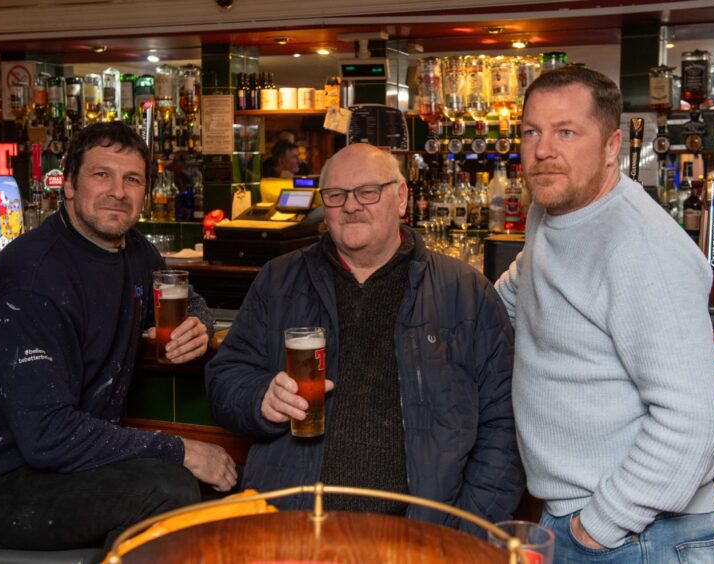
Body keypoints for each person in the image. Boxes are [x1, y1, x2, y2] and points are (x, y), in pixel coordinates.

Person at [0, 122, 237, 552]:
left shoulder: (135, 251)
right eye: (102, 174)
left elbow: (186, 297)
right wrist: (180, 450)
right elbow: (47, 435)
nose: (118, 191)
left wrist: (199, 323)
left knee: (217, 493)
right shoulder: (31, 279)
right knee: (167, 487)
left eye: (132, 179)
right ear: (68, 185)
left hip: (74, 465)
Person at [206, 142, 523, 536]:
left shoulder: (464, 291)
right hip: (294, 528)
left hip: (419, 538)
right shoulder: (279, 279)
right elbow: (225, 378)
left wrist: (465, 530)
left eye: (368, 192)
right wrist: (260, 399)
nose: (351, 206)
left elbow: (504, 423)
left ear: (401, 197)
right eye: (336, 195)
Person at [495, 66, 714, 562]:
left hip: (639, 534)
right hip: (582, 518)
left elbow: (696, 424)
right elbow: (519, 289)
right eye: (532, 132)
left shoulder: (641, 247)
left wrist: (599, 526)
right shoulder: (551, 213)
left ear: (611, 147)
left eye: (566, 132)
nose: (543, 150)